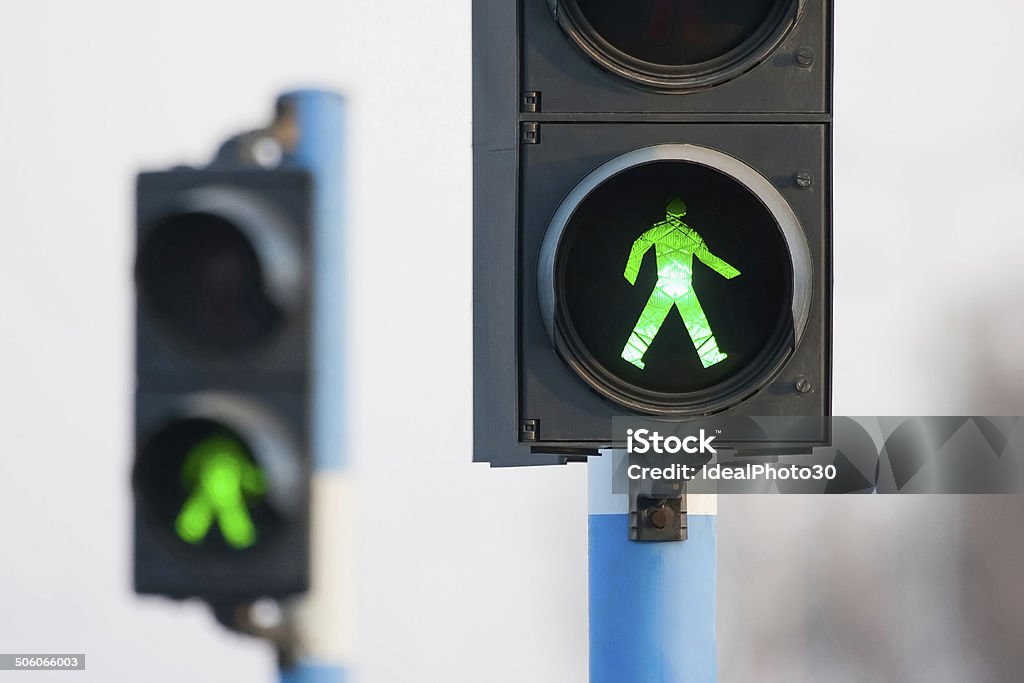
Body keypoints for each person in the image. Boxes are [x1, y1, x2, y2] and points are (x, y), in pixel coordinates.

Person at [621, 196, 740, 370]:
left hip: (664, 285)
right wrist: (730, 273)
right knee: (697, 323)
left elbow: (638, 246)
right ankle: (710, 357)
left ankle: (632, 354)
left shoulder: (658, 230)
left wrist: (630, 275)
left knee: (649, 322)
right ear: (683, 213)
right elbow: (707, 257)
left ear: (667, 212)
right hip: (684, 285)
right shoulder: (691, 234)